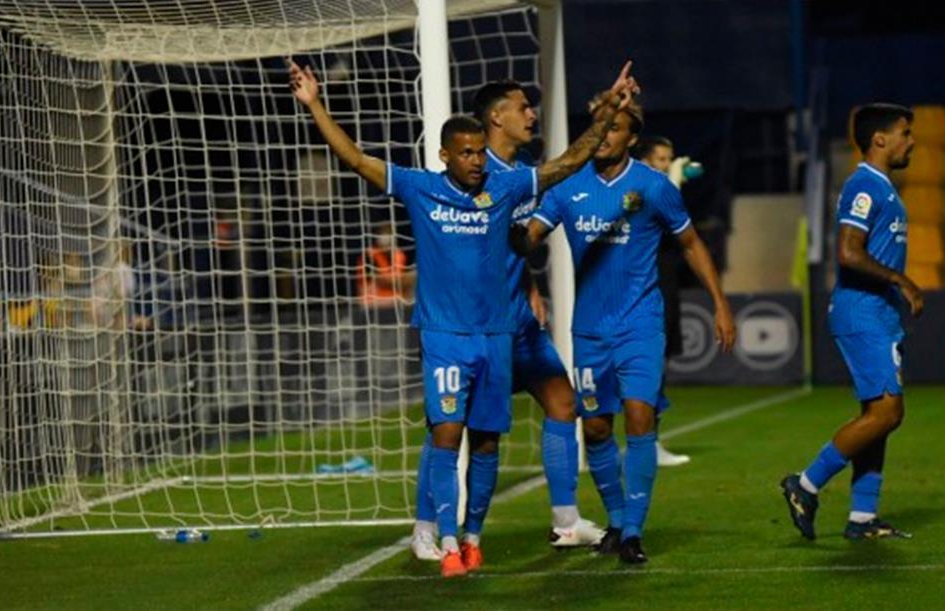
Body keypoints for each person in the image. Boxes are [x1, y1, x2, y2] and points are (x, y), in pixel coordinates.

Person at [289, 59, 637, 577]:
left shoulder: (516, 181)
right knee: (447, 430)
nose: (532, 114)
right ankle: (431, 530)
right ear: (476, 133)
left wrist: (530, 284)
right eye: (523, 107)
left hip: (507, 326)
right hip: (453, 329)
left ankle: (551, 521)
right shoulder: (431, 184)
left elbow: (545, 197)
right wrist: (315, 103)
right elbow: (359, 160)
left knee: (543, 411)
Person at [515, 95, 735, 565]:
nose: (603, 136)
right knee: (595, 427)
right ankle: (615, 520)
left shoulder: (654, 187)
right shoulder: (567, 186)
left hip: (641, 324)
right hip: (590, 330)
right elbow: (528, 237)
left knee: (639, 417)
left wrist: (720, 304)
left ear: (631, 139)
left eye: (612, 129)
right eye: (597, 127)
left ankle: (633, 530)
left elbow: (692, 244)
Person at [780, 103, 922, 541]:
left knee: (878, 416)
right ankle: (804, 484)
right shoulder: (865, 186)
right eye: (904, 132)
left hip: (878, 313)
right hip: (861, 312)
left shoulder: (883, 187)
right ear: (880, 139)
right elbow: (848, 252)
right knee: (887, 411)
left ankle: (862, 518)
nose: (911, 140)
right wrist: (901, 279)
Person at [636, 135, 691, 467]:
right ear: (644, 162)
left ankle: (651, 441)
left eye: (669, 160)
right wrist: (672, 184)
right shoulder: (640, 193)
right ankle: (637, 441)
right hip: (643, 293)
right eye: (660, 159)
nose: (666, 165)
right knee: (643, 368)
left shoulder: (666, 193)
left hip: (666, 290)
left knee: (660, 366)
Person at [357, 224, 414, 307]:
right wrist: (405, 280)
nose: (385, 240)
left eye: (388, 235)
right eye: (383, 236)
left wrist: (406, 280)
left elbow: (407, 279)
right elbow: (382, 281)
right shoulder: (369, 256)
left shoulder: (399, 255)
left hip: (396, 303)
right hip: (374, 304)